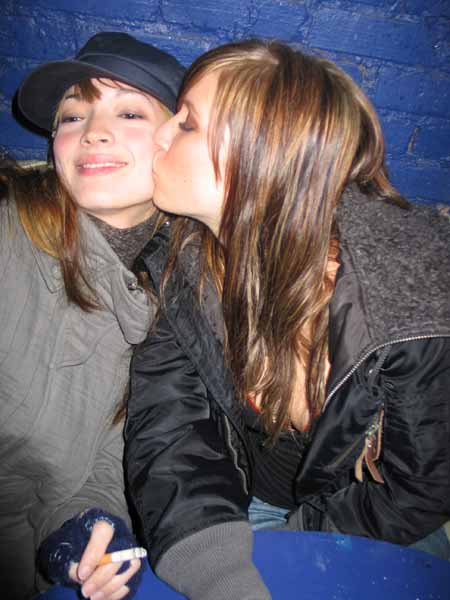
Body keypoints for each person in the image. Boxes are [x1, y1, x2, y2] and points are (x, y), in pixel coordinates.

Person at [125, 39, 450, 600]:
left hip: (370, 515)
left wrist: (296, 543)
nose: (160, 133)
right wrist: (212, 559)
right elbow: (172, 425)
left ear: (262, 158)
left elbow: (419, 487)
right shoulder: (184, 260)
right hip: (246, 496)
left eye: (187, 123)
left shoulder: (411, 305)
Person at [0, 31, 184, 600]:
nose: (93, 131)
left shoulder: (186, 293)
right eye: (73, 117)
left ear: (178, 141)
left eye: (129, 112)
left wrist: (88, 527)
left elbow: (114, 449)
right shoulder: (10, 228)